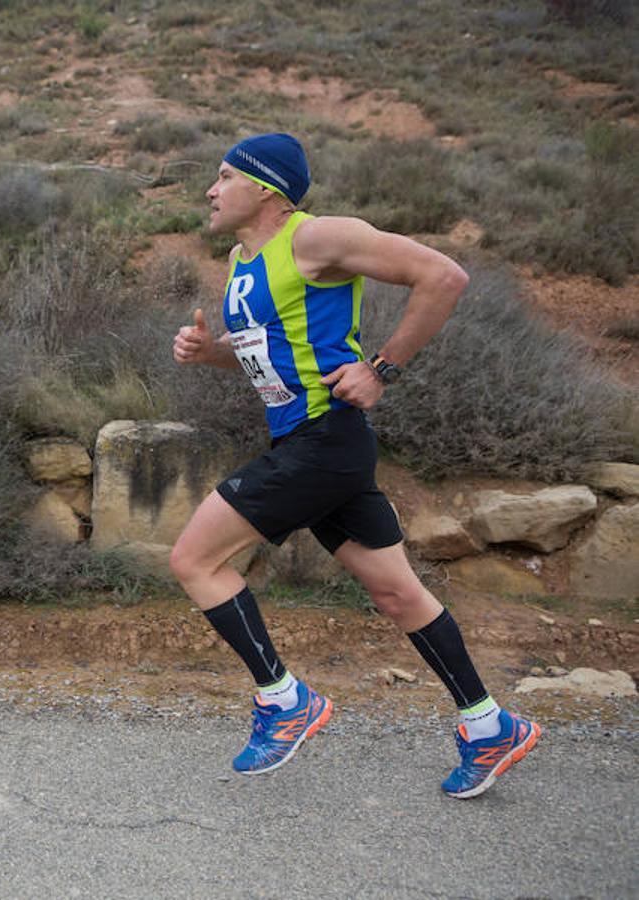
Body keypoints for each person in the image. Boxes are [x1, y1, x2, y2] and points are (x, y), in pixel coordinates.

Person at [170, 133, 540, 799]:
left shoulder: (317, 238)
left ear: (266, 188)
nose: (211, 189)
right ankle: (490, 728)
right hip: (310, 447)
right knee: (398, 594)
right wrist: (209, 353)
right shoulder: (241, 259)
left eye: (224, 176)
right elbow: (264, 349)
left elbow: (443, 276)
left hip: (326, 441)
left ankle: (285, 703)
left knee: (195, 561)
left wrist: (381, 371)